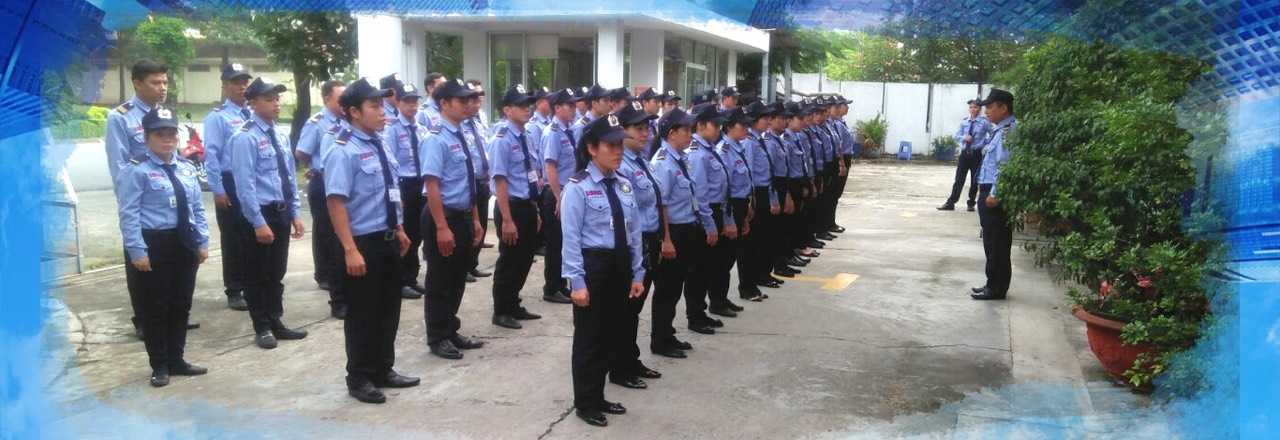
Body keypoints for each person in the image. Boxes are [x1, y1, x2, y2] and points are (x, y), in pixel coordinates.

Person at [324, 77, 421, 404]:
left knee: (388, 308)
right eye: (374, 106)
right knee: (363, 312)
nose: (382, 112)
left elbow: (389, 192)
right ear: (354, 111)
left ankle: (383, 368)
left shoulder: (380, 143)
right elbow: (336, 202)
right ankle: (360, 377)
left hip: (388, 238)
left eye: (382, 105)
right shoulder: (343, 150)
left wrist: (400, 228)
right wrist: (350, 250)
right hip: (361, 242)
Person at [560, 114, 645, 428]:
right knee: (589, 339)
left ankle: (598, 395)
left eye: (620, 144)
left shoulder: (623, 183)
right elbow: (570, 240)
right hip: (593, 268)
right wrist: (577, 282)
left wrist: (637, 273)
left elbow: (634, 232)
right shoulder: (578, 188)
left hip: (620, 266)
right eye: (610, 145)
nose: (618, 150)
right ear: (592, 148)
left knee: (611, 335)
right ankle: (585, 402)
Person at [117, 106, 210, 388]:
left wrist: (202, 241)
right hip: (153, 243)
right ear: (147, 138)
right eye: (159, 134)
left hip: (184, 241)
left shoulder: (186, 168)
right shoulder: (136, 171)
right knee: (155, 307)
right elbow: (129, 214)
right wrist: (137, 251)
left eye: (171, 133)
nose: (167, 139)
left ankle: (177, 359)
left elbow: (197, 209)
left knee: (181, 305)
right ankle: (159, 364)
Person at [107, 59, 198, 337]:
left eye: (165, 82)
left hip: (167, 194)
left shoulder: (165, 113)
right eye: (155, 82)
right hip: (140, 196)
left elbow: (174, 156)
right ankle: (145, 319)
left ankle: (171, 316)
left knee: (172, 263)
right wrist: (127, 200)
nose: (162, 87)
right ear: (137, 83)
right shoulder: (121, 117)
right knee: (141, 264)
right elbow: (119, 163)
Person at [228, 76, 309, 349]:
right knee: (257, 274)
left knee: (276, 272)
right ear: (252, 103)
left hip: (281, 211)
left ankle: (276, 320)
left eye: (277, 98)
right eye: (268, 99)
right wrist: (258, 222)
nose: (276, 104)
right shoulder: (245, 137)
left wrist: (295, 212)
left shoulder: (280, 134)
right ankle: (262, 327)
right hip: (259, 214)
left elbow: (288, 177)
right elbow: (245, 185)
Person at [418, 79, 487, 359]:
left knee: (457, 278)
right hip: (443, 218)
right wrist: (441, 227)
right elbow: (432, 186)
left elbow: (466, 182)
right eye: (461, 100)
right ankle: (438, 336)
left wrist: (476, 219)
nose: (468, 104)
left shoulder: (461, 134)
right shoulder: (435, 138)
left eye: (469, 99)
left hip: (463, 216)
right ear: (444, 104)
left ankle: (450, 328)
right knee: (440, 280)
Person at [647, 108, 712, 359]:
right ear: (672, 133)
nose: (690, 134)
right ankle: (660, 340)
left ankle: (668, 333)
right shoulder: (662, 162)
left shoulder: (681, 158)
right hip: (672, 231)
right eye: (686, 130)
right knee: (667, 288)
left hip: (687, 228)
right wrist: (666, 239)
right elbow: (661, 205)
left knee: (675, 287)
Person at [611, 101, 664, 389]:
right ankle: (620, 367)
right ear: (622, 130)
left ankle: (630, 359)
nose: (645, 133)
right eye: (638, 128)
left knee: (635, 307)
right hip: (635, 243)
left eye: (647, 128)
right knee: (628, 307)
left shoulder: (642, 160)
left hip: (650, 239)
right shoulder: (622, 166)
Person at [487, 84, 545, 329]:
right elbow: (500, 180)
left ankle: (513, 303)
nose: (527, 109)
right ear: (507, 109)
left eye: (528, 104)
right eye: (520, 105)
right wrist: (508, 220)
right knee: (509, 261)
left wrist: (536, 209)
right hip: (511, 207)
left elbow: (530, 173)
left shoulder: (526, 136)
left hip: (527, 205)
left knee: (524, 259)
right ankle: (501, 310)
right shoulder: (501, 140)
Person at [295, 80, 350, 318]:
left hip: (340, 183)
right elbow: (301, 152)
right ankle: (324, 274)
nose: (344, 103)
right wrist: (315, 166)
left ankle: (334, 272)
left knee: (338, 232)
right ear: (327, 99)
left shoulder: (346, 122)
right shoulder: (317, 123)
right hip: (322, 182)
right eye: (340, 99)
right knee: (324, 231)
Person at [202, 63, 252, 312]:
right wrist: (218, 189)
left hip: (251, 182)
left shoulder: (253, 114)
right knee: (233, 238)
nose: (242, 87)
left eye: (244, 82)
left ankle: (251, 284)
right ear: (224, 86)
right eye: (235, 82)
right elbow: (211, 156)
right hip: (229, 181)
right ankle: (234, 289)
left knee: (252, 234)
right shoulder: (218, 117)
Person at [685, 103, 738, 329]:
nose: (718, 130)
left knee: (712, 265)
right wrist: (709, 225)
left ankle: (709, 306)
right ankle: (695, 315)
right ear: (700, 125)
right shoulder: (697, 154)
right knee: (699, 269)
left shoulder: (710, 149)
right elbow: (700, 195)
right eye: (714, 125)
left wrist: (726, 219)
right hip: (706, 214)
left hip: (718, 211)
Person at [383, 82, 429, 300]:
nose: (412, 106)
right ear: (398, 103)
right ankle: (401, 280)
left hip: (420, 184)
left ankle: (412, 277)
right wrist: (396, 194)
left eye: (414, 101)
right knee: (405, 233)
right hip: (404, 185)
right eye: (407, 101)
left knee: (418, 234)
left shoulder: (421, 128)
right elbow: (390, 163)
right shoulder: (392, 129)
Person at [972, 89, 1018, 301]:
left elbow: (1005, 166)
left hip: (994, 193)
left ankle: (997, 288)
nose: (986, 111)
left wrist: (995, 194)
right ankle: (993, 283)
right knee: (991, 241)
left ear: (1003, 108)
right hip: (988, 190)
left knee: (997, 242)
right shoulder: (1000, 131)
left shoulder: (1008, 132)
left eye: (990, 107)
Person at [716, 107, 764, 304]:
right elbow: (724, 188)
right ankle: (718, 300)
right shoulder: (724, 151)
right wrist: (729, 218)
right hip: (731, 206)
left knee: (737, 251)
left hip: (742, 204)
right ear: (729, 127)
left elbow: (746, 180)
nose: (746, 128)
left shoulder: (739, 147)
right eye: (742, 124)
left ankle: (729, 295)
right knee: (725, 257)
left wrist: (748, 206)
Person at [539, 88, 582, 304]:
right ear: (557, 108)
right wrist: (558, 198)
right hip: (557, 193)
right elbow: (550, 167)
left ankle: (560, 284)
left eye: (575, 105)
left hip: (567, 191)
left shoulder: (568, 130)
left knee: (565, 241)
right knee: (555, 243)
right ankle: (552, 287)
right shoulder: (553, 132)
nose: (574, 109)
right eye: (570, 105)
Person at [740, 101, 784, 292]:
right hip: (756, 193)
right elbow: (749, 173)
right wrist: (751, 199)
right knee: (753, 241)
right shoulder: (749, 142)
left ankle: (762, 274)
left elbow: (768, 172)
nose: (768, 121)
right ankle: (748, 282)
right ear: (754, 121)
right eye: (765, 118)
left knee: (764, 237)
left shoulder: (759, 140)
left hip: (765, 191)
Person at [462, 84, 495, 282]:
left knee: (481, 223)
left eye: (477, 101)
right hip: (469, 181)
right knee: (469, 228)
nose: (477, 104)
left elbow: (485, 149)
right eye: (473, 101)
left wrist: (489, 172)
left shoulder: (478, 123)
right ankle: (464, 266)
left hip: (483, 180)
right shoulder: (460, 127)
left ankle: (472, 264)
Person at [938, 99, 992, 212]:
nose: (973, 109)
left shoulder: (984, 122)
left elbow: (992, 135)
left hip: (976, 154)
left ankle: (971, 203)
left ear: (979, 108)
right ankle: (951, 203)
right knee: (959, 179)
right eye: (971, 107)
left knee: (974, 180)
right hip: (964, 154)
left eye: (975, 107)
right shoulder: (964, 122)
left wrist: (983, 143)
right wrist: (964, 137)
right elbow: (957, 135)